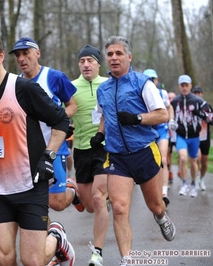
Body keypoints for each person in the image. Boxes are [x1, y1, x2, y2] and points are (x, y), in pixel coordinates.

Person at [0, 31, 75, 266]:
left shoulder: (23, 89)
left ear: (0, 56)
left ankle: (57, 238)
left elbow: (61, 121)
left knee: (33, 261)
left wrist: (49, 156)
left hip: (31, 185)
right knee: (3, 257)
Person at [93, 36, 175, 266]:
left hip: (144, 152)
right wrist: (100, 134)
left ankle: (161, 217)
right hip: (118, 156)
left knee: (155, 205)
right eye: (110, 54)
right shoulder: (103, 89)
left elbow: (162, 115)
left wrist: (137, 118)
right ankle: (127, 260)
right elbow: (103, 116)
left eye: (119, 53)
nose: (114, 58)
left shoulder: (143, 83)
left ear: (129, 57)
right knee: (119, 208)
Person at [9, 36, 82, 214]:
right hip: (26, 152)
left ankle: (71, 187)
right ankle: (47, 238)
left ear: (37, 53)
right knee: (33, 202)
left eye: (26, 53)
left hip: (53, 147)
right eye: (17, 55)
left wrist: (56, 117)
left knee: (57, 203)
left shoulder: (54, 77)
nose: (21, 59)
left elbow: (72, 106)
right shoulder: (15, 83)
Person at [71, 44, 110, 266]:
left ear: (98, 64)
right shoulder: (71, 87)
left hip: (104, 148)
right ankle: (74, 190)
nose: (86, 64)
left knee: (98, 197)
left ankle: (97, 253)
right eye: (82, 61)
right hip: (81, 149)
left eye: (90, 60)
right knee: (89, 206)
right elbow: (62, 109)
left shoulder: (108, 84)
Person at [171, 75, 212, 198]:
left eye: (186, 85)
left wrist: (200, 114)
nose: (184, 88)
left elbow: (211, 118)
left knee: (193, 161)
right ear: (179, 86)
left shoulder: (198, 101)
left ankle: (194, 184)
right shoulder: (175, 101)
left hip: (194, 136)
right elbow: (168, 112)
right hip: (181, 135)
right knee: (183, 158)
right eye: (182, 85)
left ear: (190, 86)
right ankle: (184, 183)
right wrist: (171, 120)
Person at [142, 69, 174, 206]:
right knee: (151, 162)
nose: (151, 82)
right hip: (148, 130)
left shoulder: (163, 93)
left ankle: (164, 192)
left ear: (157, 80)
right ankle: (154, 190)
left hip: (161, 129)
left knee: (164, 159)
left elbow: (169, 107)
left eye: (153, 79)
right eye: (148, 79)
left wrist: (171, 119)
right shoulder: (140, 92)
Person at [191, 86, 213, 191]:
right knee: (197, 158)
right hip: (194, 137)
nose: (197, 94)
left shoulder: (207, 107)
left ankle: (201, 178)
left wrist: (201, 114)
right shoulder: (189, 106)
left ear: (202, 94)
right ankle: (194, 179)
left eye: (199, 93)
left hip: (205, 138)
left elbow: (212, 121)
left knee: (204, 162)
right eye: (195, 93)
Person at [167, 91, 177, 184]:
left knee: (182, 154)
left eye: (172, 97)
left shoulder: (179, 109)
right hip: (169, 135)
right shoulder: (166, 109)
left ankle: (181, 169)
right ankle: (170, 172)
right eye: (169, 97)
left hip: (178, 135)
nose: (171, 99)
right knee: (168, 155)